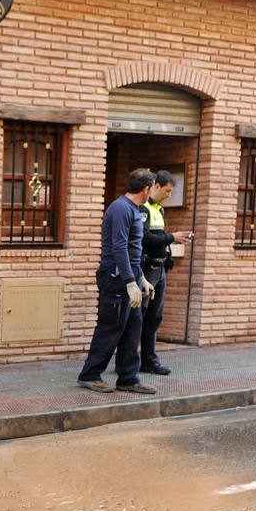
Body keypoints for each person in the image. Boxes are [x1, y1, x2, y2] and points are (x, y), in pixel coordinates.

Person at [78, 168, 157, 395]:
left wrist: (140, 277)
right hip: (115, 277)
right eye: (151, 188)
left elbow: (133, 250)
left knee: (133, 327)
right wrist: (130, 282)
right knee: (111, 326)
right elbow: (119, 247)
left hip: (128, 274)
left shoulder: (134, 209)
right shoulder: (121, 208)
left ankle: (128, 378)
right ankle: (90, 374)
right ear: (146, 189)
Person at [139, 170, 194, 375]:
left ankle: (148, 360)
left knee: (154, 317)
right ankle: (126, 362)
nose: (169, 195)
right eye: (168, 191)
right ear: (156, 187)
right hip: (147, 270)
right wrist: (172, 237)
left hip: (160, 269)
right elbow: (144, 239)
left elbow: (159, 238)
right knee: (139, 316)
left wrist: (170, 244)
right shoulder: (142, 208)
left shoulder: (159, 210)